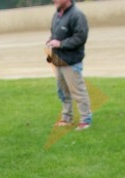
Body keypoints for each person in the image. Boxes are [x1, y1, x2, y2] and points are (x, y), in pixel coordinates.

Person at [46, 0, 92, 130]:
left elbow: (80, 37)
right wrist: (51, 40)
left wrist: (61, 44)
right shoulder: (57, 14)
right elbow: (55, 34)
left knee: (78, 92)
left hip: (71, 61)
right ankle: (66, 118)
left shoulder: (77, 15)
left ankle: (85, 120)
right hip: (58, 60)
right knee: (63, 92)